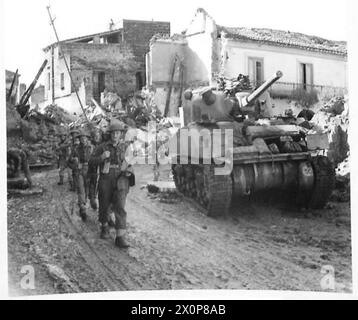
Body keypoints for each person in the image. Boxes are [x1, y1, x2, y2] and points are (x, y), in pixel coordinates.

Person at [89, 119, 135, 248]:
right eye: (113, 133)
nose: (115, 135)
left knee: (120, 206)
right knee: (104, 203)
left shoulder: (126, 147)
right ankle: (104, 226)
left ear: (121, 134)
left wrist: (128, 171)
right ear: (110, 134)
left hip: (121, 178)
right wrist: (102, 158)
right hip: (106, 177)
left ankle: (120, 237)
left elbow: (131, 162)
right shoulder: (102, 147)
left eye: (118, 133)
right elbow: (91, 161)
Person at [69, 129, 94, 221]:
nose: (83, 139)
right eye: (81, 137)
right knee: (81, 190)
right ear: (79, 139)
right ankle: (82, 208)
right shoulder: (75, 149)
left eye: (85, 137)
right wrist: (75, 163)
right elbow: (69, 161)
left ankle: (87, 202)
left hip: (90, 171)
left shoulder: (92, 148)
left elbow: (97, 159)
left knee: (88, 190)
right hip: (79, 172)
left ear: (87, 138)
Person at [88, 128, 103, 210]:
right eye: (95, 136)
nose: (97, 138)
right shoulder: (90, 146)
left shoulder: (103, 146)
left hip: (101, 170)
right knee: (92, 185)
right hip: (92, 170)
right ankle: (92, 200)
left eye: (98, 136)